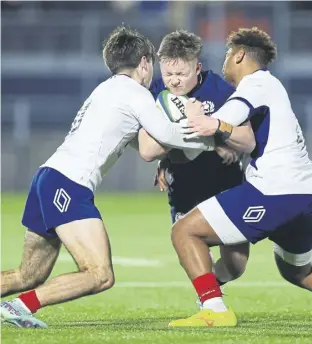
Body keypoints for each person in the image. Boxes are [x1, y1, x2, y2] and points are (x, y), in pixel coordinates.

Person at [0, 25, 214, 329]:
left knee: (28, 274)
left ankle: (19, 300)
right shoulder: (134, 92)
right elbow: (166, 133)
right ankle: (19, 306)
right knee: (99, 273)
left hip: (48, 178)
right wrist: (211, 134)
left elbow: (142, 144)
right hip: (68, 184)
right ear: (143, 62)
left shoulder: (106, 90)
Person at [168, 27, 312, 327]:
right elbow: (233, 133)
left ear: (239, 55)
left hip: (275, 191)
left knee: (184, 231)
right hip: (308, 195)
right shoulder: (272, 87)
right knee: (298, 271)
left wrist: (197, 116)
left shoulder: (256, 83)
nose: (224, 62)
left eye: (227, 54)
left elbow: (219, 122)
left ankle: (214, 309)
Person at [150, 30, 249, 292]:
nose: (174, 81)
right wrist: (164, 158)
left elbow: (246, 134)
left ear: (198, 67)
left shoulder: (221, 91)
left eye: (182, 74)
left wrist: (231, 147)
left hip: (225, 183)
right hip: (185, 186)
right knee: (192, 247)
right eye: (168, 74)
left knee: (236, 264)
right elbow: (147, 140)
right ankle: (209, 299)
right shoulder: (155, 92)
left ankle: (214, 285)